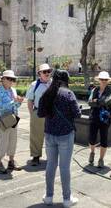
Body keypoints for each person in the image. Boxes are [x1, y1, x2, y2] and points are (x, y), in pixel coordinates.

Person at [38, 69, 81, 207]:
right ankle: (67, 199)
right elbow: (77, 114)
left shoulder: (46, 93)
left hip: (49, 134)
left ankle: (49, 196)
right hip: (65, 135)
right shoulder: (68, 93)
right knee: (64, 167)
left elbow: (40, 113)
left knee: (51, 165)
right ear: (65, 80)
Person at [0, 70, 24, 174]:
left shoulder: (13, 90)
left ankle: (11, 162)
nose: (12, 81)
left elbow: (16, 106)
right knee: (3, 141)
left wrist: (19, 102)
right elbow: (0, 106)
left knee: (13, 140)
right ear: (3, 79)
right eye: (9, 79)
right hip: (3, 119)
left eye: (13, 79)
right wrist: (13, 102)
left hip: (13, 118)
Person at [88, 71, 111, 168]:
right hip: (94, 116)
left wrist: (97, 101)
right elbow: (89, 102)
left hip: (105, 117)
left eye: (105, 79)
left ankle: (101, 159)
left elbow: (108, 101)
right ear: (99, 80)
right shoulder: (94, 90)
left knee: (104, 139)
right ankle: (92, 152)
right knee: (92, 138)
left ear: (108, 81)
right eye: (102, 79)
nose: (103, 81)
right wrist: (100, 102)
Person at [26, 63, 52, 166]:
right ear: (39, 73)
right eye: (44, 72)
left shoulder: (54, 83)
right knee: (36, 135)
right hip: (38, 112)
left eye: (48, 71)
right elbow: (30, 100)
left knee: (52, 136)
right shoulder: (34, 85)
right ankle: (36, 156)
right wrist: (32, 114)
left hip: (52, 113)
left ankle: (51, 156)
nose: (47, 73)